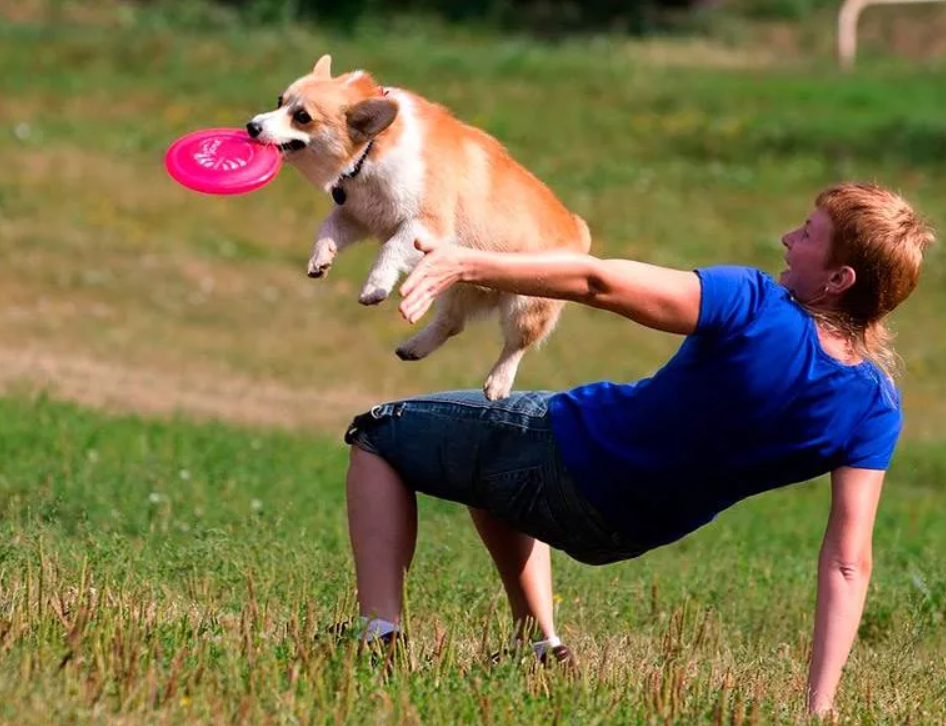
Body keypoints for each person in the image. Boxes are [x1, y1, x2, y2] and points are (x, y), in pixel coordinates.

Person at [340, 182, 934, 715]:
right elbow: (847, 563)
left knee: (378, 435)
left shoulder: (755, 305)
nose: (786, 239)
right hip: (629, 530)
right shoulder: (875, 408)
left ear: (839, 280)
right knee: (486, 457)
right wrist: (819, 707)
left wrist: (468, 262)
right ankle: (537, 645)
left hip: (564, 450)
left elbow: (597, 282)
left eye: (807, 235)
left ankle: (378, 636)